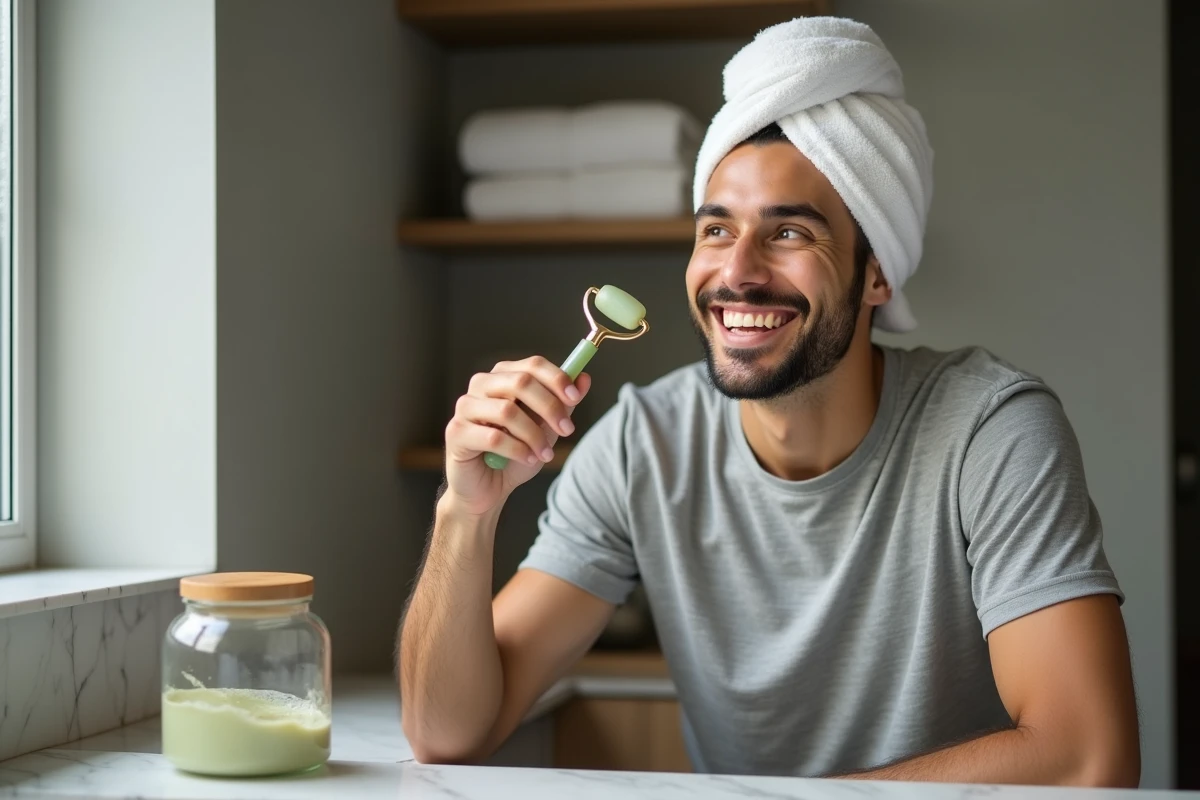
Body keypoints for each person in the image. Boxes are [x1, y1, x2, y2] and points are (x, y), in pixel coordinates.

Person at [397, 17, 1140, 786]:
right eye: (717, 230)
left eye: (789, 233)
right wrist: (466, 512)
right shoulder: (644, 444)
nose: (737, 272)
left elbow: (1088, 755)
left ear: (877, 274)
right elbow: (448, 734)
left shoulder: (990, 432)